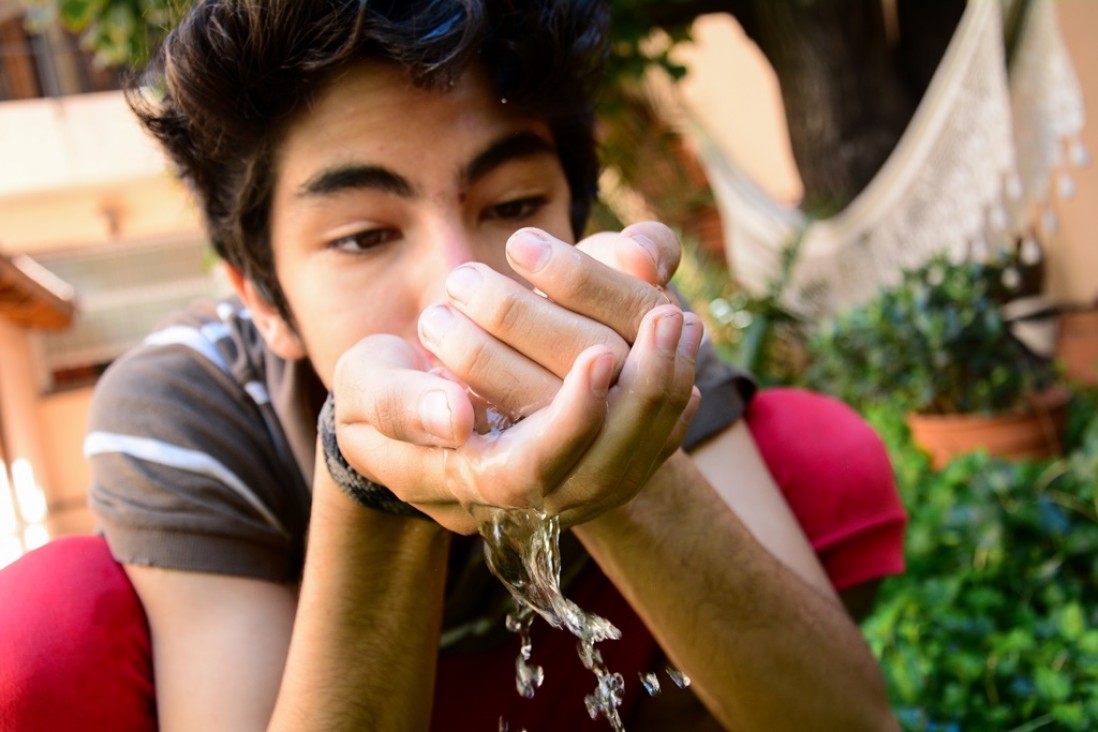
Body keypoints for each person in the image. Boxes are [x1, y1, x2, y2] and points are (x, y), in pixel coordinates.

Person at [0, 1, 907, 730]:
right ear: (265, 301)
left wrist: (615, 456)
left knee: (814, 453)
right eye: (363, 235)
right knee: (46, 627)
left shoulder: (622, 327)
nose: (458, 289)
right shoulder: (191, 406)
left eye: (512, 204)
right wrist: (368, 483)